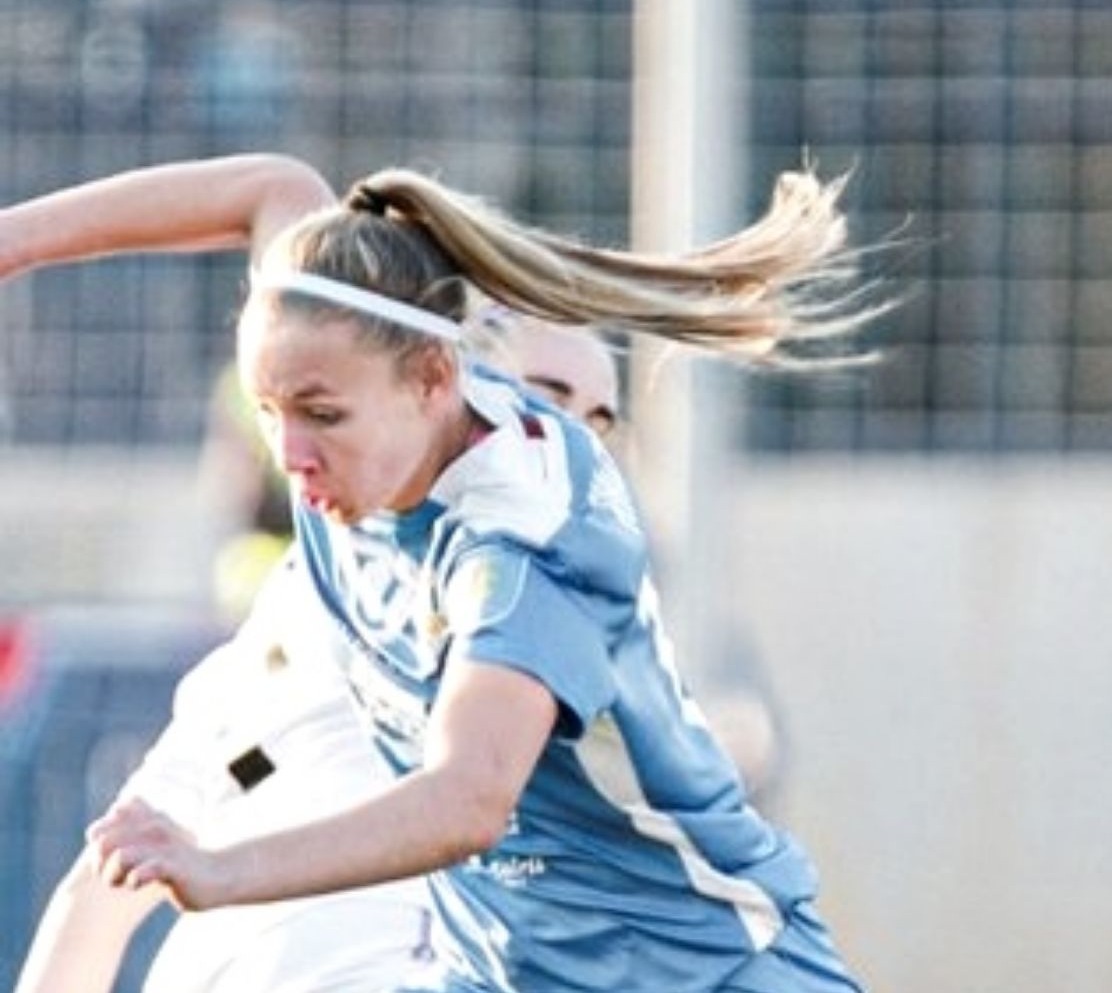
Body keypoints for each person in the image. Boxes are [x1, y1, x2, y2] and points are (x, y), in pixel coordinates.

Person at [0, 152, 876, 992]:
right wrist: (17, 241)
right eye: (273, 410)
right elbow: (274, 188)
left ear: (438, 382)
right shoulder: (357, 377)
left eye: (320, 413)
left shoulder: (523, 541)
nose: (290, 454)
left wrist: (218, 872)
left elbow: (467, 801)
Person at [11, 315, 628, 993]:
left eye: (597, 423)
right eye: (545, 397)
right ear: (441, 391)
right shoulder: (318, 625)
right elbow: (100, 892)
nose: (572, 442)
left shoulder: (588, 662)